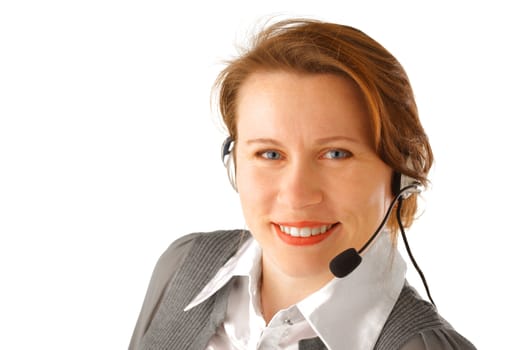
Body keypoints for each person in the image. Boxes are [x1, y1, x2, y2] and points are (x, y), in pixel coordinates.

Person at [129, 19, 476, 350]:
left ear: (403, 173)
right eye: (269, 154)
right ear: (234, 163)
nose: (296, 196)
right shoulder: (183, 267)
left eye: (336, 154)